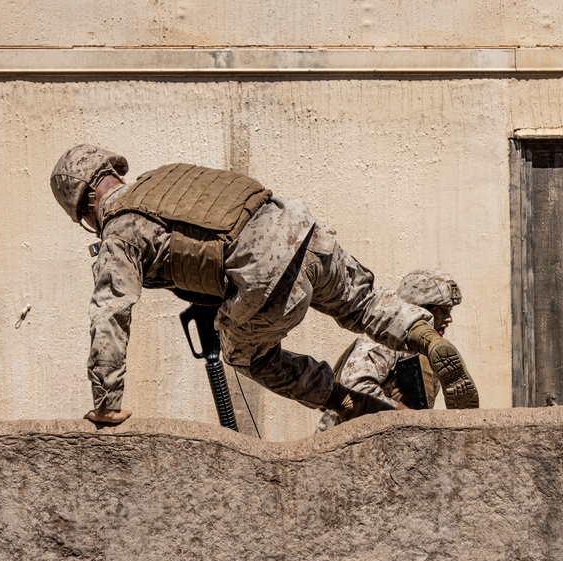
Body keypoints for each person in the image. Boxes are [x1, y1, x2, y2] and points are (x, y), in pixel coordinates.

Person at [49, 144, 479, 426]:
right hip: (304, 229)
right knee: (362, 303)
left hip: (262, 271)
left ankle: (344, 400)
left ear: (85, 205)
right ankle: (425, 336)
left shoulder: (120, 229)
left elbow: (111, 312)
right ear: (113, 173)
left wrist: (107, 399)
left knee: (247, 355)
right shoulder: (164, 177)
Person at [316, 269, 463, 432]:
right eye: (439, 311)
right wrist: (407, 417)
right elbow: (356, 388)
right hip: (349, 439)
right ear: (418, 309)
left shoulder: (425, 352)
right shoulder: (386, 340)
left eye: (449, 311)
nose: (448, 319)